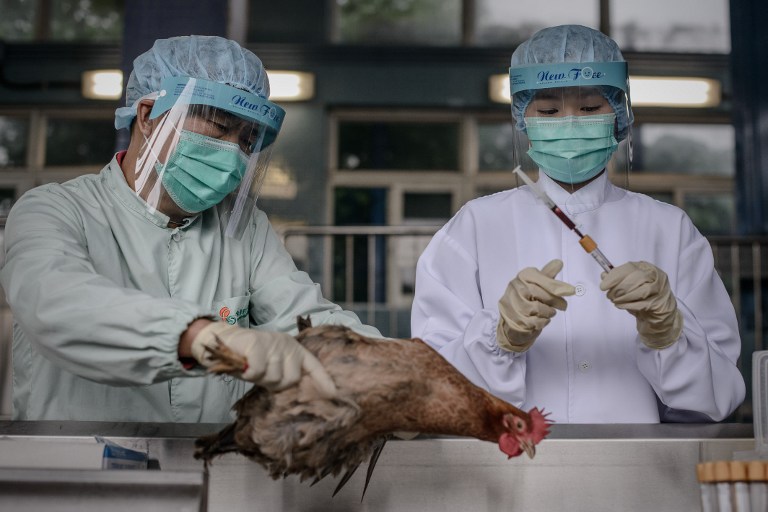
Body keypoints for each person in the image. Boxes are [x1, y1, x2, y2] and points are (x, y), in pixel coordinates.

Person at [0, 35, 381, 422]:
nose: (233, 152)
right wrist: (203, 338)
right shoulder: (55, 209)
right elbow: (57, 304)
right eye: (218, 128)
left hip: (210, 468)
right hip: (76, 466)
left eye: (247, 141)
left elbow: (305, 316)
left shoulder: (243, 226)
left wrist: (393, 370)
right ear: (148, 116)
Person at [411, 25, 745, 423]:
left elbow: (718, 400)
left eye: (589, 109)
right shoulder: (473, 228)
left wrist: (669, 335)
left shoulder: (669, 229)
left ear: (619, 115)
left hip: (639, 471)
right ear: (523, 119)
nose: (569, 124)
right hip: (506, 472)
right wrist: (497, 339)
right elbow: (430, 390)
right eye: (549, 111)